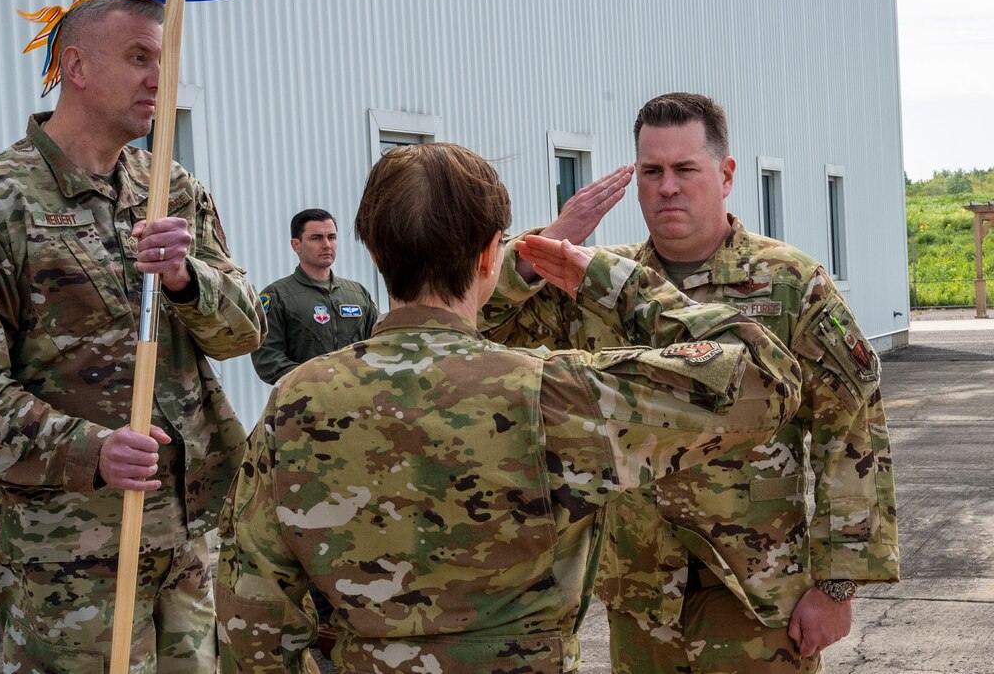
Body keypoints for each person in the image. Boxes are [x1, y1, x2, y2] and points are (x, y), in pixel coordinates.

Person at [215, 142, 802, 673]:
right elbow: (766, 378)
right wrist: (618, 283)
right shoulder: (550, 391)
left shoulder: (297, 398)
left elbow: (251, 613)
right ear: (492, 256)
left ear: (372, 250)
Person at [482, 92, 900, 673]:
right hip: (641, 593)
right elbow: (479, 332)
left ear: (725, 175)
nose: (667, 187)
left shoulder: (789, 284)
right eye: (651, 171)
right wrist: (540, 248)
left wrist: (836, 587)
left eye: (685, 169)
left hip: (756, 598)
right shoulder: (594, 283)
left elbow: (850, 431)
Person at [0, 0, 265, 673]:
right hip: (71, 555)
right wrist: (92, 450)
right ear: (75, 65)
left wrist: (185, 279)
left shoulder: (171, 190)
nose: (158, 79)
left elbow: (243, 330)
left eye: (163, 60)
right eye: (139, 58)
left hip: (191, 538)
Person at [250, 208, 378, 385]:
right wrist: (321, 379)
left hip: (357, 403)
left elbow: (378, 345)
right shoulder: (277, 296)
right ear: (296, 245)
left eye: (331, 237)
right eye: (316, 238)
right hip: (305, 405)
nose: (327, 244)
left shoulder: (358, 294)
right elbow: (268, 361)